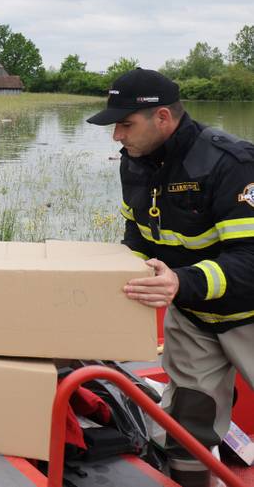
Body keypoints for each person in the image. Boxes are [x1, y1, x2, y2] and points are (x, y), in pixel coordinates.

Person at [87, 68, 254, 487]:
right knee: (187, 426)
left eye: (125, 124)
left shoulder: (232, 163)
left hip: (248, 314)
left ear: (162, 117)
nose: (117, 136)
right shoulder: (137, 162)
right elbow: (136, 237)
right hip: (194, 318)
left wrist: (180, 282)